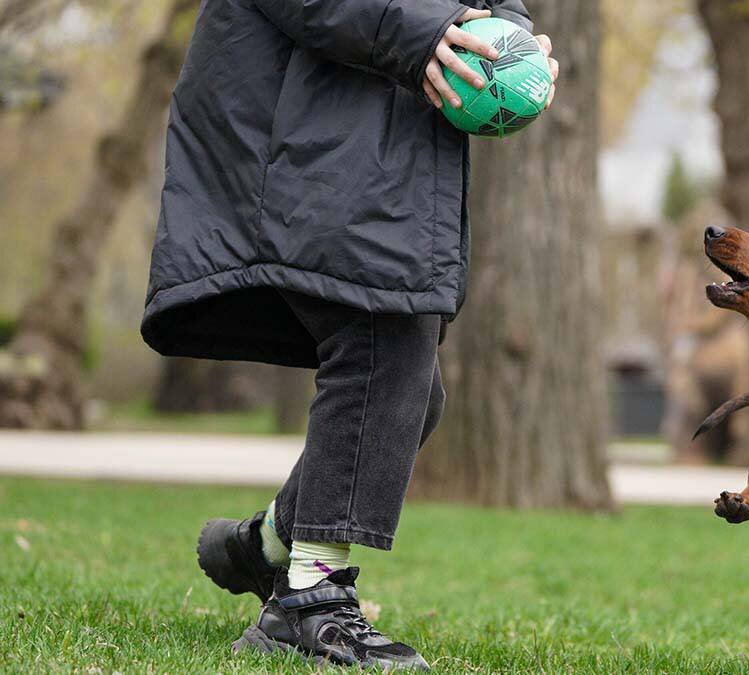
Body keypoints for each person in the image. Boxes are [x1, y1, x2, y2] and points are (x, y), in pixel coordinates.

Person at [139, 0, 557, 669]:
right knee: (380, 349)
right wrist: (419, 30)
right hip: (310, 131)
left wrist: (511, 40)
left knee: (411, 392)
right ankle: (309, 602)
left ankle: (268, 545)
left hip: (398, 141)